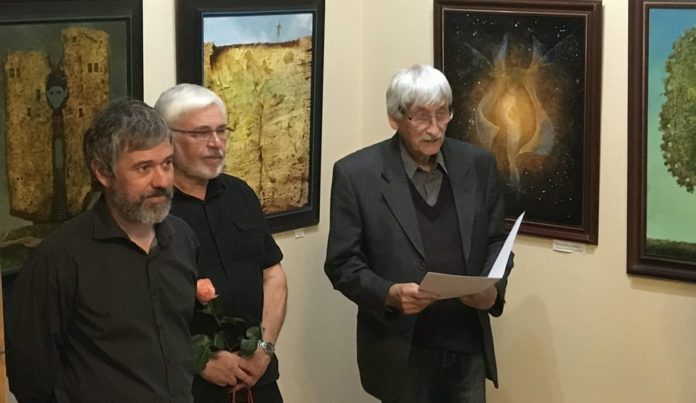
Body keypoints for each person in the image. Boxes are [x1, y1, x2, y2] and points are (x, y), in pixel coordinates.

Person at [324, 64, 514, 403]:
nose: (435, 128)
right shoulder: (357, 174)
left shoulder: (477, 164)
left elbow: (496, 241)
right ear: (394, 118)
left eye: (443, 114)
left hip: (466, 345)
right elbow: (342, 263)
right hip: (402, 350)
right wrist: (388, 293)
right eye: (422, 117)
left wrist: (492, 291)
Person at [7, 98, 199, 402]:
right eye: (143, 168)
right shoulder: (60, 258)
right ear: (103, 172)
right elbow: (30, 378)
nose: (162, 181)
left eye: (167, 163)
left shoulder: (183, 238)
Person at [154, 84, 288, 403]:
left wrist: (264, 348)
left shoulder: (240, 194)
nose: (216, 143)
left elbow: (273, 276)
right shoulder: (152, 209)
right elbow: (136, 307)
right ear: (166, 138)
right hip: (187, 386)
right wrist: (198, 360)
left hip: (258, 378)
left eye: (221, 131)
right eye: (201, 133)